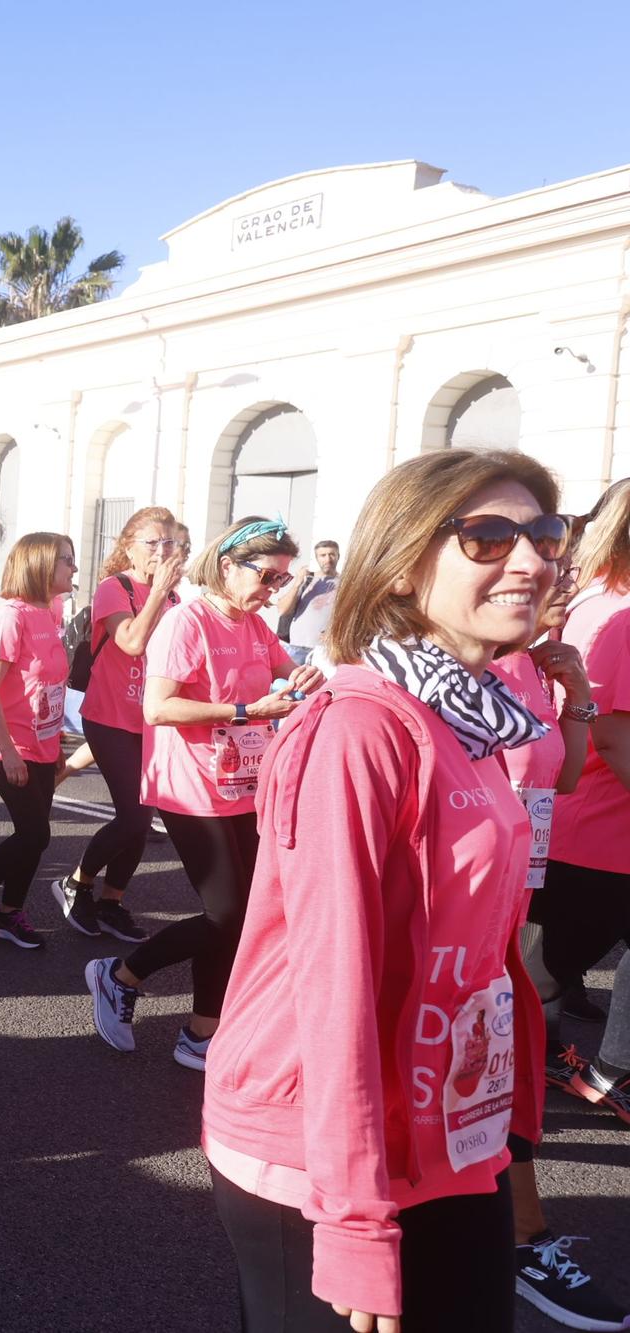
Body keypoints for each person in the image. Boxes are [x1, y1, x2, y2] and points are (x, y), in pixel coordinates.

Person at [202, 448, 565, 1332]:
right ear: (403, 565)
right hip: (321, 1149)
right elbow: (336, 987)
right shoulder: (361, 728)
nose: (530, 558)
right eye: (487, 536)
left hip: (450, 1121)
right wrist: (356, 1223)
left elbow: (485, 941)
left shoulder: (471, 715)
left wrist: (508, 1107)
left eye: (544, 534)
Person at [86, 516, 320, 1069]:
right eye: (266, 577)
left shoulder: (255, 626)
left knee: (242, 914)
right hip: (191, 787)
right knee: (228, 913)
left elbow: (288, 671)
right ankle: (120, 976)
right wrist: (247, 710)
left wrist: (305, 679)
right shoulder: (187, 622)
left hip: (245, 784)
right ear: (226, 566)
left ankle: (200, 1032)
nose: (273, 591)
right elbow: (158, 708)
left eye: (282, 581)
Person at [486, 561, 628, 1331]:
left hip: (513, 892)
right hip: (453, 912)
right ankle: (521, 1236)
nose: (546, 581)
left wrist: (575, 696)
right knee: (500, 1057)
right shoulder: (424, 678)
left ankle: (511, 1232)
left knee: (509, 1056)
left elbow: (564, 778)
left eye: (553, 565)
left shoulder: (531, 665)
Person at [535, 476, 630, 1120]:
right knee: (540, 971)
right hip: (600, 829)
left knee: (544, 966)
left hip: (590, 824)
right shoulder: (620, 611)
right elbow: (616, 735)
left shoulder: (600, 597)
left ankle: (603, 1069)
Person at [56, 507, 184, 943]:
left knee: (141, 816)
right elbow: (130, 643)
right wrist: (158, 593)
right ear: (128, 547)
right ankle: (76, 883)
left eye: (170, 543)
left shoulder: (173, 598)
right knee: (132, 816)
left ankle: (112, 901)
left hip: (151, 720)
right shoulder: (116, 587)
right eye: (153, 543)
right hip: (108, 717)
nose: (163, 551)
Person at [0, 532, 77, 948]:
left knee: (36, 833)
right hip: (8, 742)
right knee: (35, 834)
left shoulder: (52, 611)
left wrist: (57, 743)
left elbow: (47, 687)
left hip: (42, 742)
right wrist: (8, 753)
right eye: (65, 560)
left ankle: (9, 914)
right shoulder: (12, 617)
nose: (73, 568)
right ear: (40, 564)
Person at [274, 539, 341, 664]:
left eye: (332, 554)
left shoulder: (345, 583)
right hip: (297, 647)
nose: (328, 559)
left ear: (338, 556)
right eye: (323, 555)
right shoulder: (307, 580)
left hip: (327, 649)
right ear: (316, 558)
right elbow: (283, 610)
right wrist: (297, 583)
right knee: (292, 682)